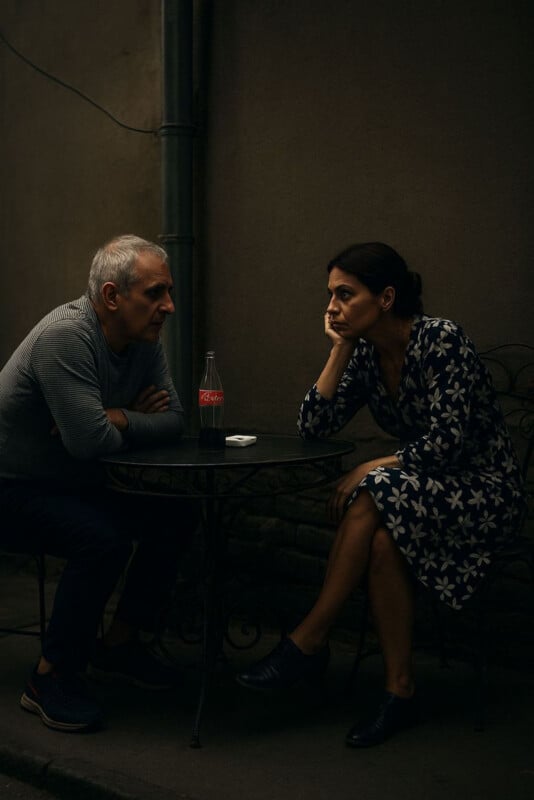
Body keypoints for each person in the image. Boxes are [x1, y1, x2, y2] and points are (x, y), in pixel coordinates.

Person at [236, 242, 527, 746]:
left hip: (483, 492)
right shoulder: (367, 354)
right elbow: (314, 425)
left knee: (373, 489)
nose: (332, 307)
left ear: (386, 298)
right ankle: (400, 691)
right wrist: (340, 349)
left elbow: (448, 442)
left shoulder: (441, 340)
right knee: (380, 541)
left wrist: (374, 465)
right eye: (330, 295)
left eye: (345, 295)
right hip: (422, 490)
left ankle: (308, 640)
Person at [0, 234, 198, 732]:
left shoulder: (142, 341)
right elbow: (88, 442)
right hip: (11, 484)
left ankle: (119, 645)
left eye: (168, 292)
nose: (168, 307)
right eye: (155, 293)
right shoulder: (67, 337)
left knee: (177, 510)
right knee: (100, 539)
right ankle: (49, 677)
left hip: (66, 480)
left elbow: (175, 421)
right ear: (112, 296)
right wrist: (118, 418)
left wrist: (118, 417)